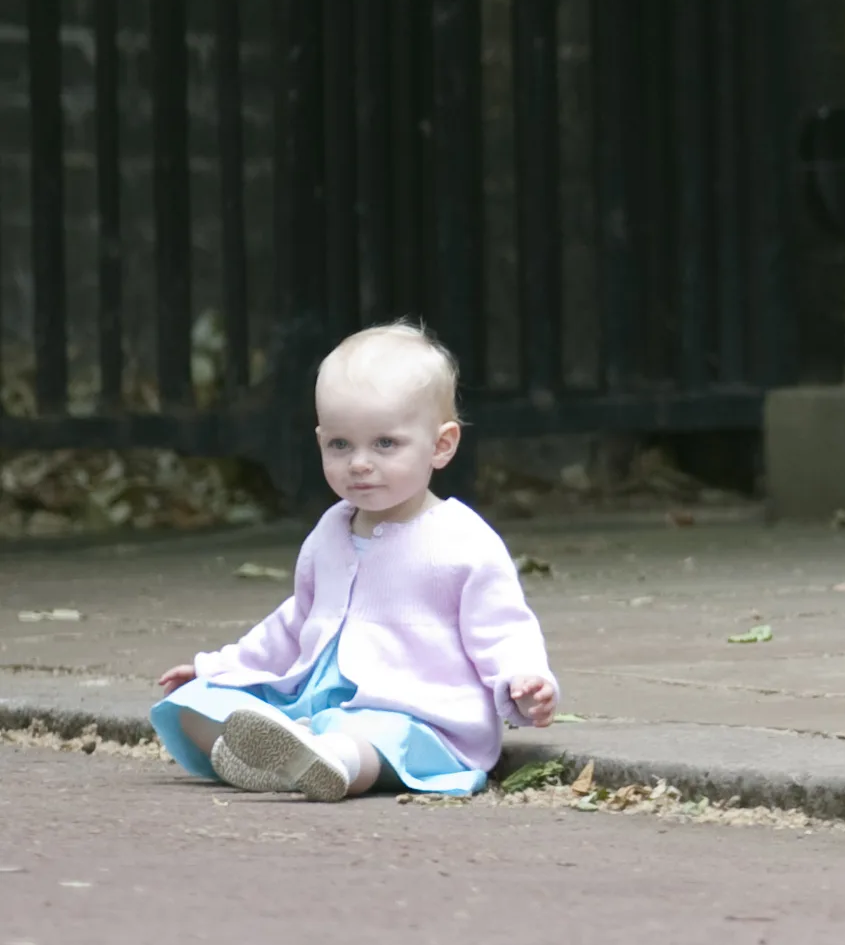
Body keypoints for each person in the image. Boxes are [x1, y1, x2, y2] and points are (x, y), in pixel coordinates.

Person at [151, 320, 559, 800]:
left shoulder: (462, 539)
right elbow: (294, 623)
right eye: (340, 445)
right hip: (314, 706)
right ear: (320, 438)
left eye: (385, 443)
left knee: (372, 740)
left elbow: (502, 625)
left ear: (442, 445)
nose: (359, 462)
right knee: (191, 705)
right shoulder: (330, 531)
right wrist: (219, 668)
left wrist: (524, 678)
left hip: (416, 714)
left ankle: (332, 763)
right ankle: (281, 757)